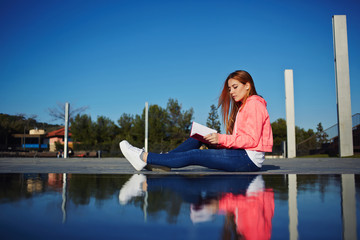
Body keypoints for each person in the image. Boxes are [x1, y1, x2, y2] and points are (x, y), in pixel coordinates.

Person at [120, 70, 273, 172]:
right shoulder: (244, 106)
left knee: (195, 155)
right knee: (197, 138)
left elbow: (252, 140)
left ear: (248, 86)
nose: (231, 92)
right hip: (241, 154)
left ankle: (144, 157)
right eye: (229, 89)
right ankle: (164, 161)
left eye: (235, 87)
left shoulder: (254, 104)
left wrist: (221, 138)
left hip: (248, 159)